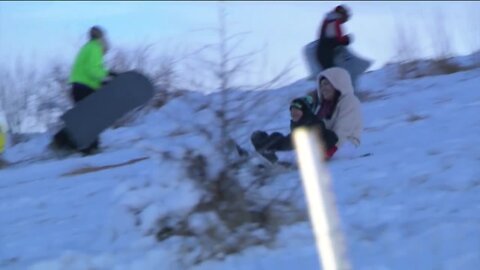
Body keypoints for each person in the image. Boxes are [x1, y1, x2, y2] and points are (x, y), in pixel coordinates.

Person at [251, 67, 362, 162]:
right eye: (321, 85)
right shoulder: (325, 105)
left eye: (327, 84)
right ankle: (266, 147)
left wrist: (330, 151)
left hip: (343, 146)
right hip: (325, 141)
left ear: (338, 84)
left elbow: (343, 131)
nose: (323, 88)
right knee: (293, 134)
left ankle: (276, 157)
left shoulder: (349, 101)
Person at [52, 26, 117, 154]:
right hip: (85, 87)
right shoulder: (95, 48)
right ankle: (89, 147)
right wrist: (107, 76)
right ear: (102, 38)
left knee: (84, 117)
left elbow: (91, 68)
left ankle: (63, 142)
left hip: (79, 86)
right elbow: (92, 70)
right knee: (91, 117)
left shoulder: (87, 47)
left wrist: (107, 74)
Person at [316, 5, 352, 70]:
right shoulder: (333, 21)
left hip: (325, 52)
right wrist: (345, 40)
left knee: (332, 73)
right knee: (331, 74)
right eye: (345, 17)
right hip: (325, 53)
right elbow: (333, 39)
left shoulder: (331, 20)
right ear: (341, 15)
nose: (345, 20)